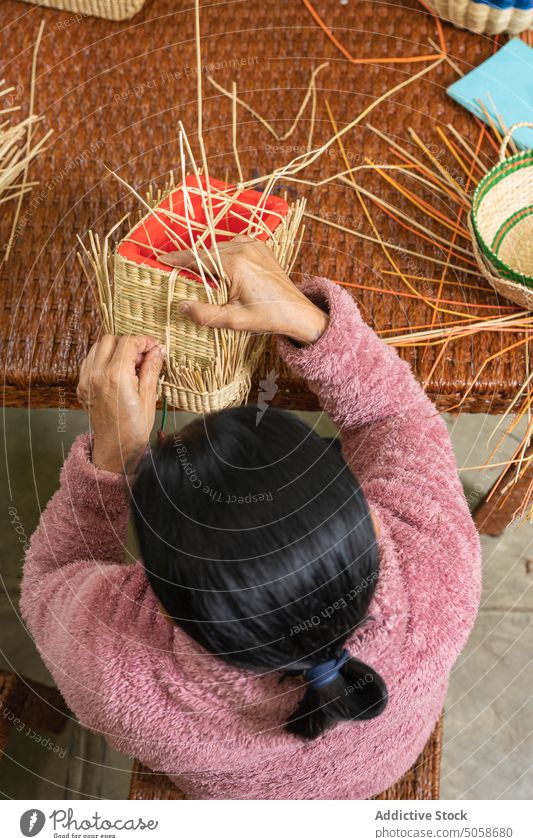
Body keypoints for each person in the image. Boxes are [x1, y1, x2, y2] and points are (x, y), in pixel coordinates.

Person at [21, 237, 481, 799]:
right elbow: (395, 419)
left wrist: (114, 460)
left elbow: (50, 578)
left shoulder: (116, 670)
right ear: (369, 516)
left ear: (155, 590)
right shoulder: (441, 567)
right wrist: (311, 323)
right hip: (386, 757)